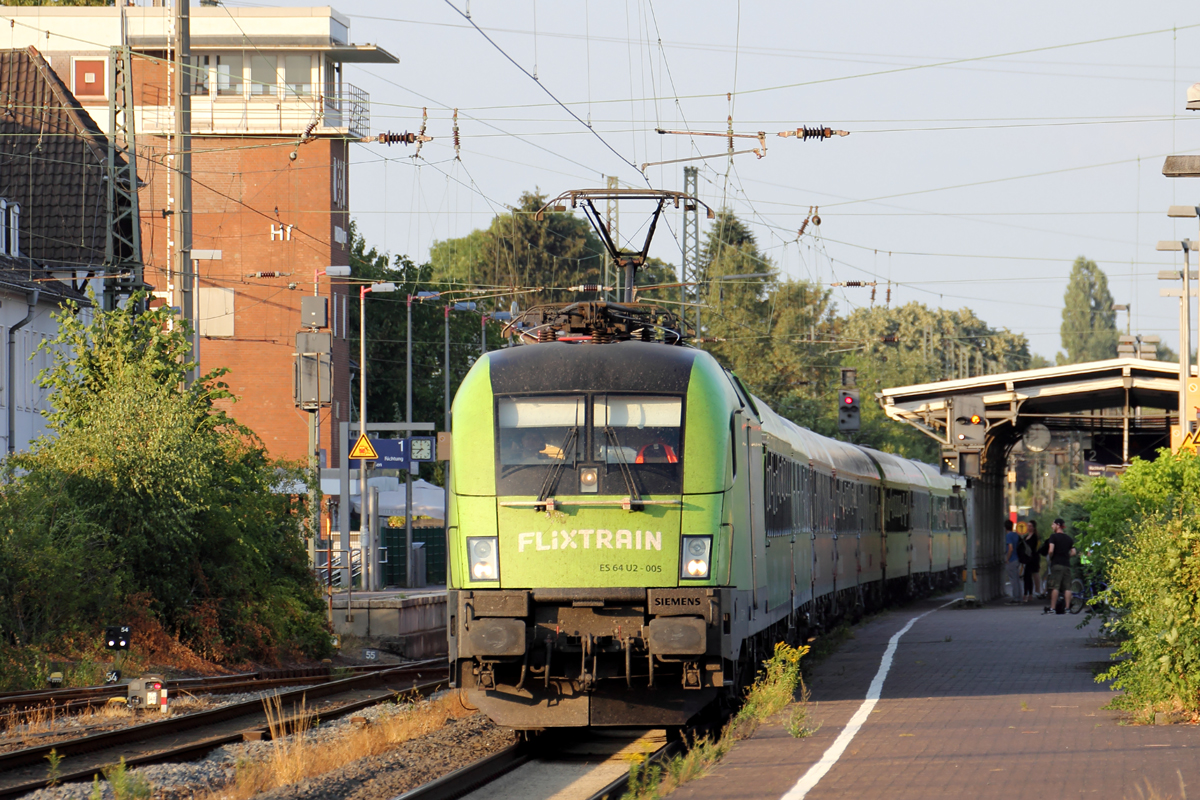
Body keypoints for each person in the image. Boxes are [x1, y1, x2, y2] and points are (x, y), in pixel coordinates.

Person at [1045, 518, 1076, 615]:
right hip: (1066, 564)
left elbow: (1050, 550)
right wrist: (1067, 556)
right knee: (1067, 587)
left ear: (1058, 525)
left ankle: (1052, 608)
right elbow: (1074, 552)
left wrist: (1051, 558)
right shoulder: (1068, 538)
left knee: (1055, 587)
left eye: (1053, 524)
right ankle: (1067, 608)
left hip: (1057, 564)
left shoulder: (1053, 537)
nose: (1052, 526)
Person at [1020, 520, 1040, 604]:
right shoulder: (1025, 537)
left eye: (1030, 526)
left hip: (1033, 559)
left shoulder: (1035, 537)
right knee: (1026, 577)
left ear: (1034, 527)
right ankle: (1027, 594)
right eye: (1028, 526)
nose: (1029, 527)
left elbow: (1033, 548)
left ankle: (1029, 594)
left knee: (1029, 576)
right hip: (1027, 559)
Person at [1004, 519, 1022, 604]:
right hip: (1017, 558)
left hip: (1011, 559)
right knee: (1017, 579)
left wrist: (1007, 559)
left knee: (1013, 580)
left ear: (1005, 528)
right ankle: (1019, 597)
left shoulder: (1008, 536)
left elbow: (1010, 548)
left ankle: (1016, 598)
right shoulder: (1016, 535)